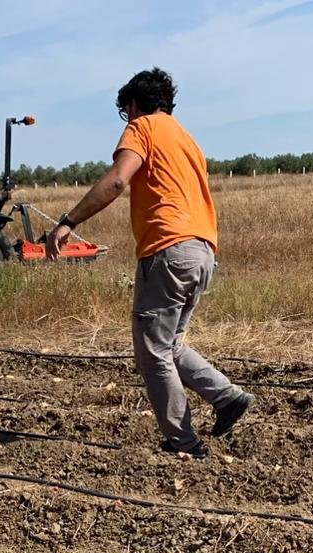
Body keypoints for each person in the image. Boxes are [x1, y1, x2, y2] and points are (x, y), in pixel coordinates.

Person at [45, 67, 251, 459]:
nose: (127, 117)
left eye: (126, 110)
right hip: (202, 251)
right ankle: (226, 397)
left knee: (152, 352)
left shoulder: (142, 128)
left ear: (135, 104)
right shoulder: (186, 139)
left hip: (167, 249)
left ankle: (183, 443)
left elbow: (117, 181)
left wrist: (68, 221)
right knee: (169, 344)